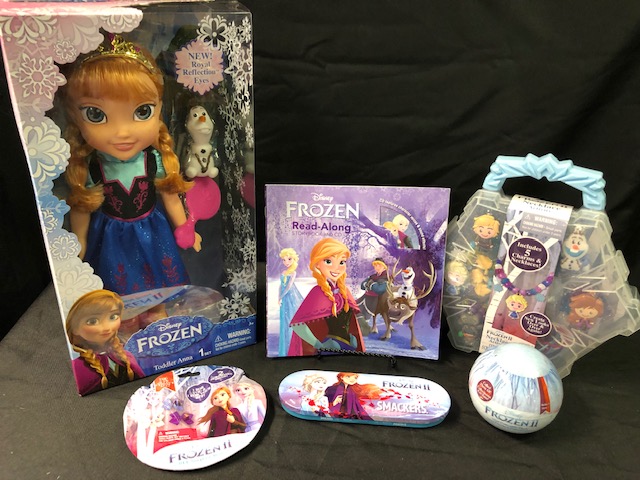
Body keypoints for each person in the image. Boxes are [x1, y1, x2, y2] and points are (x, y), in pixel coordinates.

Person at [62, 34, 199, 298]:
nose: (122, 132)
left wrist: (185, 228)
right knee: (117, 286)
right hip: (111, 237)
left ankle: (157, 309)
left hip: (153, 232)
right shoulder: (93, 167)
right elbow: (82, 206)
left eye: (142, 111)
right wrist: (79, 240)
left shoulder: (153, 160)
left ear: (160, 109)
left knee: (160, 282)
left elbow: (170, 197)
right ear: (74, 117)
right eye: (96, 114)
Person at [288, 237, 365, 356]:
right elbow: (297, 324)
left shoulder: (344, 291)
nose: (336, 268)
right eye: (328, 261)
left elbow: (352, 320)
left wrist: (353, 337)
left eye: (342, 262)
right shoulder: (318, 292)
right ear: (317, 264)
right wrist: (318, 345)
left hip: (350, 345)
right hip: (331, 347)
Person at [65, 289, 144, 396]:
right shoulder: (81, 367)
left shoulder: (125, 356)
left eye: (113, 317)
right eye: (92, 321)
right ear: (75, 328)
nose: (106, 327)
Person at [278, 248, 304, 356]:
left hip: (291, 297)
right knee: (285, 320)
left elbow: (289, 287)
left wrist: (282, 296)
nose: (286, 262)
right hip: (284, 297)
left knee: (291, 318)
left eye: (289, 259)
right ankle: (286, 347)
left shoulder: (293, 272)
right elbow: (281, 286)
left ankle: (293, 346)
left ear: (294, 259)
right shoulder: (283, 272)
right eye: (284, 260)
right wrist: (279, 297)